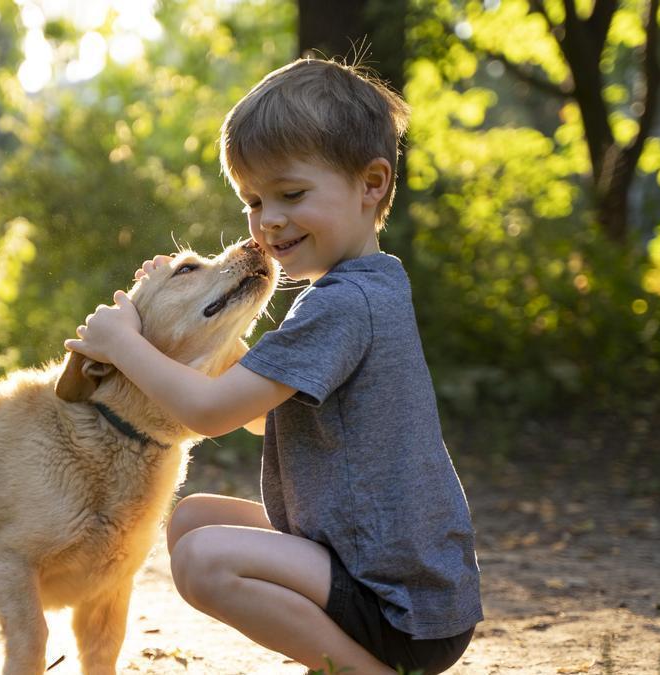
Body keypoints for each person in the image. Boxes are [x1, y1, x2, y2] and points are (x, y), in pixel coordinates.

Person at [63, 57, 481, 675]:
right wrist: (180, 309)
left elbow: (210, 412)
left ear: (372, 184)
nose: (270, 220)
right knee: (193, 518)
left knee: (205, 560)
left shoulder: (343, 304)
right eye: (254, 201)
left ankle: (366, 671)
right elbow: (263, 417)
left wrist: (126, 345)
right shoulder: (364, 287)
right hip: (390, 575)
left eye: (292, 194)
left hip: (400, 606)